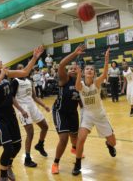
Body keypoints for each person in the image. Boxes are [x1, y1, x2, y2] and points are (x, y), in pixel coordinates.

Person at [0, 46, 43, 181]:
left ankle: (8, 165)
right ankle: (2, 177)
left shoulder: (6, 73)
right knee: (8, 147)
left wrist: (34, 57)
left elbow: (25, 71)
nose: (0, 60)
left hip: (10, 114)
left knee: (17, 145)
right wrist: (1, 76)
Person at [72, 48, 117, 176]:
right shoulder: (80, 84)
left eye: (91, 69)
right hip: (87, 114)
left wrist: (107, 59)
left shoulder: (97, 83)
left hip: (100, 114)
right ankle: (78, 164)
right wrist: (79, 73)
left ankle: (109, 145)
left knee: (113, 142)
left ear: (94, 73)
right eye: (87, 69)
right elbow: (77, 87)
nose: (89, 70)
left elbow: (105, 73)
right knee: (81, 139)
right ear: (84, 72)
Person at [51, 45, 85, 174]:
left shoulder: (80, 84)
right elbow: (61, 65)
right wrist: (75, 53)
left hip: (72, 112)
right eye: (70, 68)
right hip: (60, 111)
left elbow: (80, 100)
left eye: (74, 68)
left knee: (74, 135)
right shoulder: (64, 79)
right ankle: (55, 163)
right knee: (64, 138)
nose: (72, 70)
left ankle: (74, 148)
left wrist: (84, 111)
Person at [11, 64, 50, 168]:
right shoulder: (15, 81)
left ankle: (40, 145)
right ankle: (27, 159)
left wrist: (44, 105)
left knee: (45, 127)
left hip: (32, 106)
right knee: (30, 133)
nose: (22, 69)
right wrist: (21, 110)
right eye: (19, 68)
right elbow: (12, 98)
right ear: (16, 71)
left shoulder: (29, 81)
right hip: (22, 108)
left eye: (23, 68)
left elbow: (34, 97)